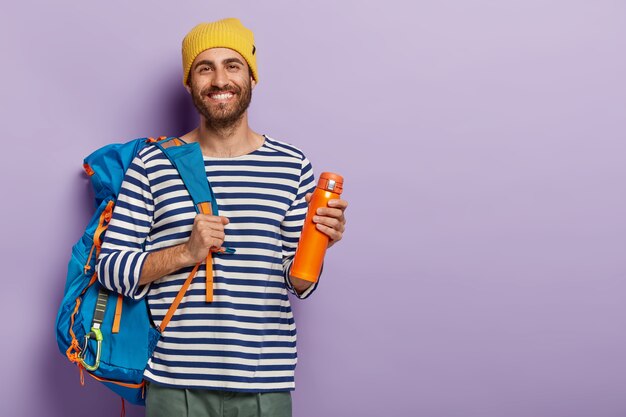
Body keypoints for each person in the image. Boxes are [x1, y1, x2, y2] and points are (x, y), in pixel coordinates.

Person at [96, 18, 348, 417]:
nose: (219, 79)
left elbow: (296, 280)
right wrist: (185, 252)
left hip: (265, 383)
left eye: (232, 65)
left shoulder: (291, 165)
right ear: (189, 82)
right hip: (175, 384)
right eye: (204, 67)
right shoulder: (153, 163)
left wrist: (319, 249)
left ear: (251, 75)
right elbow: (110, 269)